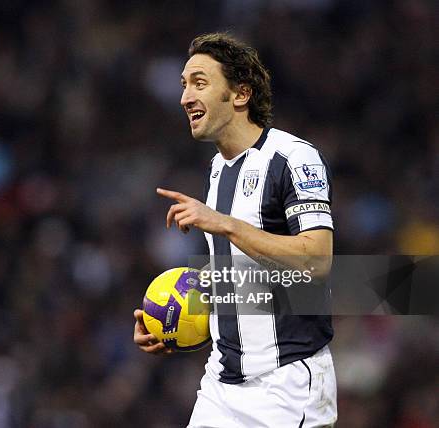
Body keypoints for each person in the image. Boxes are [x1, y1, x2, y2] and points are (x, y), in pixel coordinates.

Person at [133, 33, 338, 427]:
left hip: (286, 387)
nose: (185, 98)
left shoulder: (293, 158)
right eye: (183, 85)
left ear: (240, 95)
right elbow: (239, 270)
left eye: (199, 83)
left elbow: (317, 259)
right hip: (220, 386)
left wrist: (224, 224)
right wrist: (171, 320)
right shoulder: (217, 169)